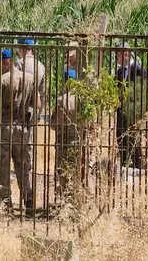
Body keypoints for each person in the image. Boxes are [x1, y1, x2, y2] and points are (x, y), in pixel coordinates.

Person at [0, 49, 40, 216]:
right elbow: (37, 104)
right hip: (23, 128)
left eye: (0, 63)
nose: (0, 67)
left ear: (6, 62)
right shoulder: (30, 79)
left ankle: (5, 204)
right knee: (23, 166)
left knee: (3, 166)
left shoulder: (2, 81)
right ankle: (28, 201)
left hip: (6, 128)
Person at [50, 69, 81, 201]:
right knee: (75, 170)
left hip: (62, 140)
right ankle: (74, 199)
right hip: (77, 141)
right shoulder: (81, 100)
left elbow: (53, 123)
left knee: (61, 171)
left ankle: (61, 200)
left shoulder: (60, 100)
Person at [115, 42, 146, 169]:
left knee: (134, 142)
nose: (116, 58)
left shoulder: (139, 70)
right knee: (122, 141)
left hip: (134, 114)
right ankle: (125, 167)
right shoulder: (119, 72)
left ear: (125, 54)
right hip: (121, 114)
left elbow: (144, 93)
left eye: (118, 55)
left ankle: (137, 169)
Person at [14, 38, 46, 137]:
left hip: (19, 109)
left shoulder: (19, 63)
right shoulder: (40, 66)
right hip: (33, 108)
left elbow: (13, 86)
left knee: (17, 141)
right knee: (30, 142)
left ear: (20, 48)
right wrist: (39, 113)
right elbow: (43, 93)